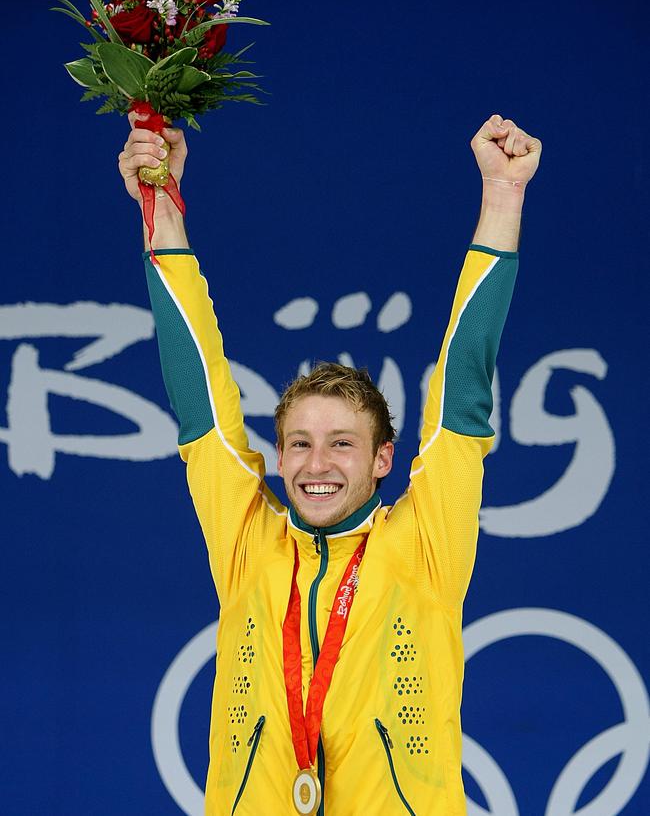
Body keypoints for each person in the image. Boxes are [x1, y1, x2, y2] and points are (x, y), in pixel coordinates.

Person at [118, 113, 541, 816]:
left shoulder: (426, 544)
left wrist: (502, 197)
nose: (318, 463)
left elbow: (462, 386)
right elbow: (200, 393)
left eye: (343, 442)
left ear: (383, 458)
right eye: (301, 443)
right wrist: (159, 202)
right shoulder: (247, 541)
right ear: (278, 456)